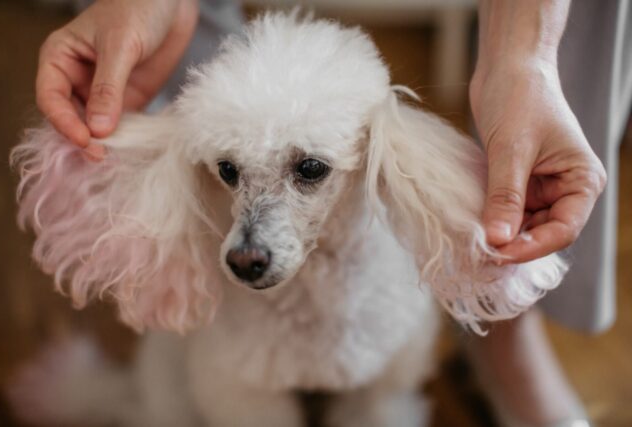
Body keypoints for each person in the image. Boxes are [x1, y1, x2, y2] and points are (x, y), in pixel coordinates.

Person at [35, 0, 628, 426]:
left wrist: (526, 62)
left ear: (373, 156)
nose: (249, 242)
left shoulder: (394, 282)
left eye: (310, 172)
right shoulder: (229, 271)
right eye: (231, 173)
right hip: (228, 373)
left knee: (381, 398)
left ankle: (506, 351)